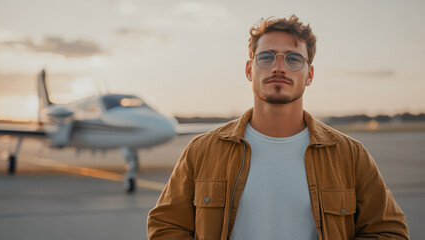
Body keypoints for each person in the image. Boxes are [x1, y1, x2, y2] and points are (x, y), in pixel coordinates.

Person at [147, 15, 409, 240]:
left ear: (309, 75)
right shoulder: (202, 150)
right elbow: (166, 226)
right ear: (250, 70)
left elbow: (389, 231)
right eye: (267, 57)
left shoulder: (350, 155)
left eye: (294, 59)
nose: (279, 67)